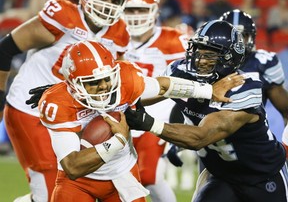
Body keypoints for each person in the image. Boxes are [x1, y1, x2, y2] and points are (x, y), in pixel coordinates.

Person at [31, 39, 243, 201]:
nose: (104, 86)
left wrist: (207, 90)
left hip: (122, 174)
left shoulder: (125, 79)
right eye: (94, 83)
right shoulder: (58, 103)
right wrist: (118, 141)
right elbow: (73, 167)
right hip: (78, 183)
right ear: (73, 84)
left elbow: (162, 86)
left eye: (107, 78)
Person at [107, 20, 288, 202]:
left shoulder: (244, 89)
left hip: (263, 175)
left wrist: (149, 123)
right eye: (197, 52)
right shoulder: (181, 71)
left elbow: (200, 137)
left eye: (209, 55)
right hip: (222, 177)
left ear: (229, 57)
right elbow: (147, 93)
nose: (200, 61)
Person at [0, 0, 130, 201]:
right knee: (49, 189)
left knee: (74, 189)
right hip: (32, 109)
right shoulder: (63, 15)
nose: (107, 4)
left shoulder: (120, 32)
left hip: (75, 116)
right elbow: (5, 49)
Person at [123, 0, 186, 201]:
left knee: (148, 175)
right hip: (120, 114)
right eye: (130, 10)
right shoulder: (113, 40)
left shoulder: (174, 40)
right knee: (118, 176)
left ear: (155, 11)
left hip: (157, 114)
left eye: (141, 10)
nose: (135, 17)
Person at [220, 9, 288, 154]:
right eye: (233, 36)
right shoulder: (210, 62)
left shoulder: (263, 62)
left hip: (254, 138)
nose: (237, 42)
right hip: (216, 137)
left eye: (242, 36)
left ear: (251, 37)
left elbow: (286, 110)